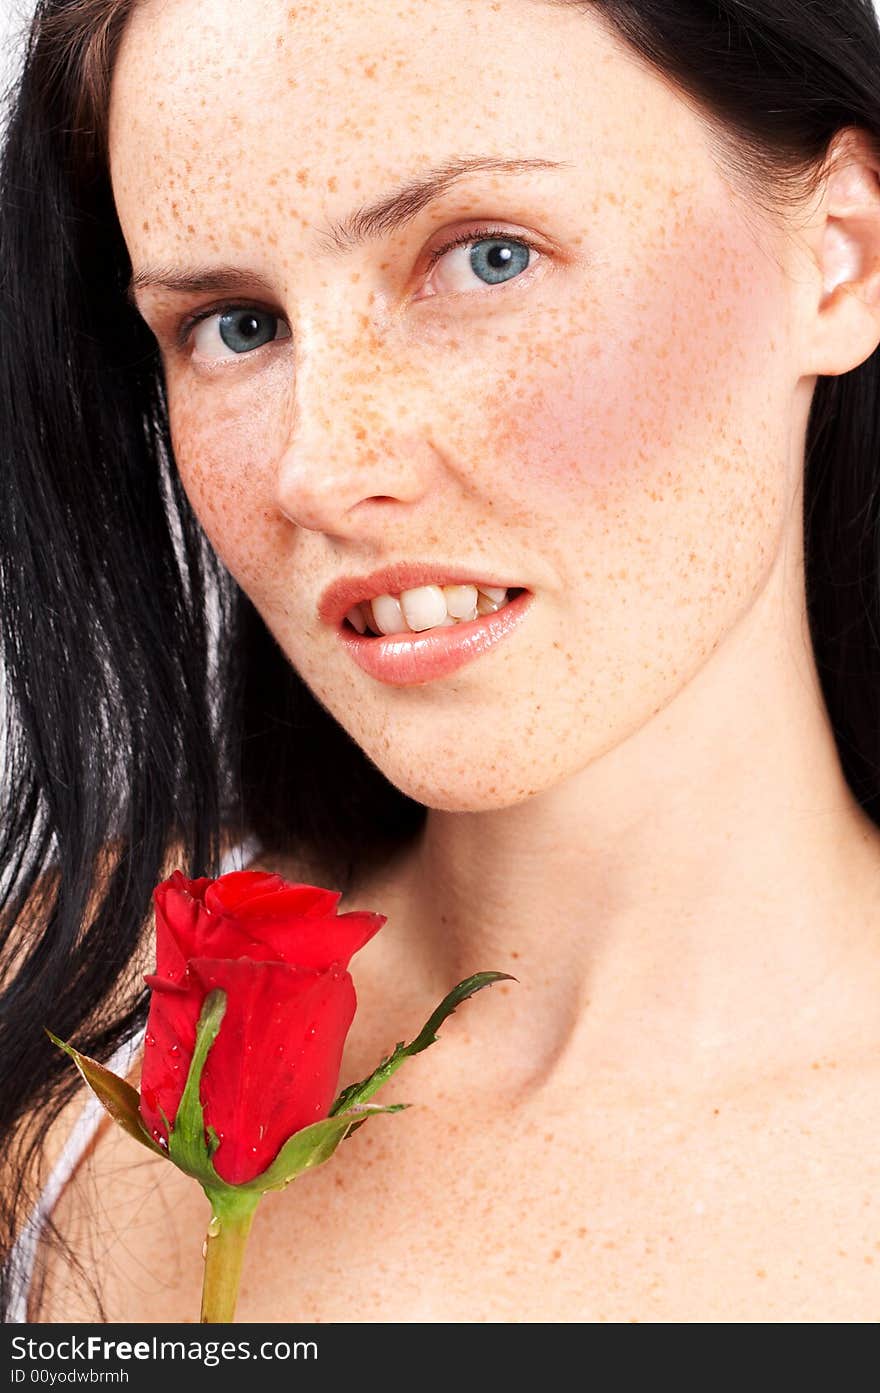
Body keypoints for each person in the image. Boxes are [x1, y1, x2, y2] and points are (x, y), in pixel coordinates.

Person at [2, 0, 880, 1323]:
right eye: (236, 324)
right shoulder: (59, 1025)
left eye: (485, 258)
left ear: (843, 255)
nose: (323, 469)